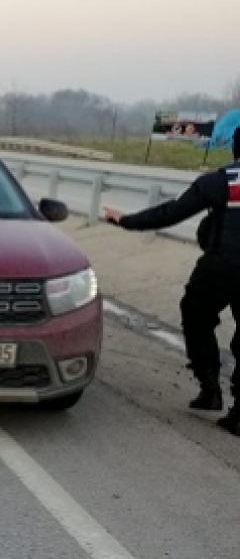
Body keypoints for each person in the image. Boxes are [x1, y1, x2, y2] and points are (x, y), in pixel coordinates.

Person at [102, 126, 240, 436]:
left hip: (220, 266)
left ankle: (209, 387)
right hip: (222, 264)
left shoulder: (220, 182)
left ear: (235, 149)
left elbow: (171, 213)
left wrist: (125, 220)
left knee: (196, 315)